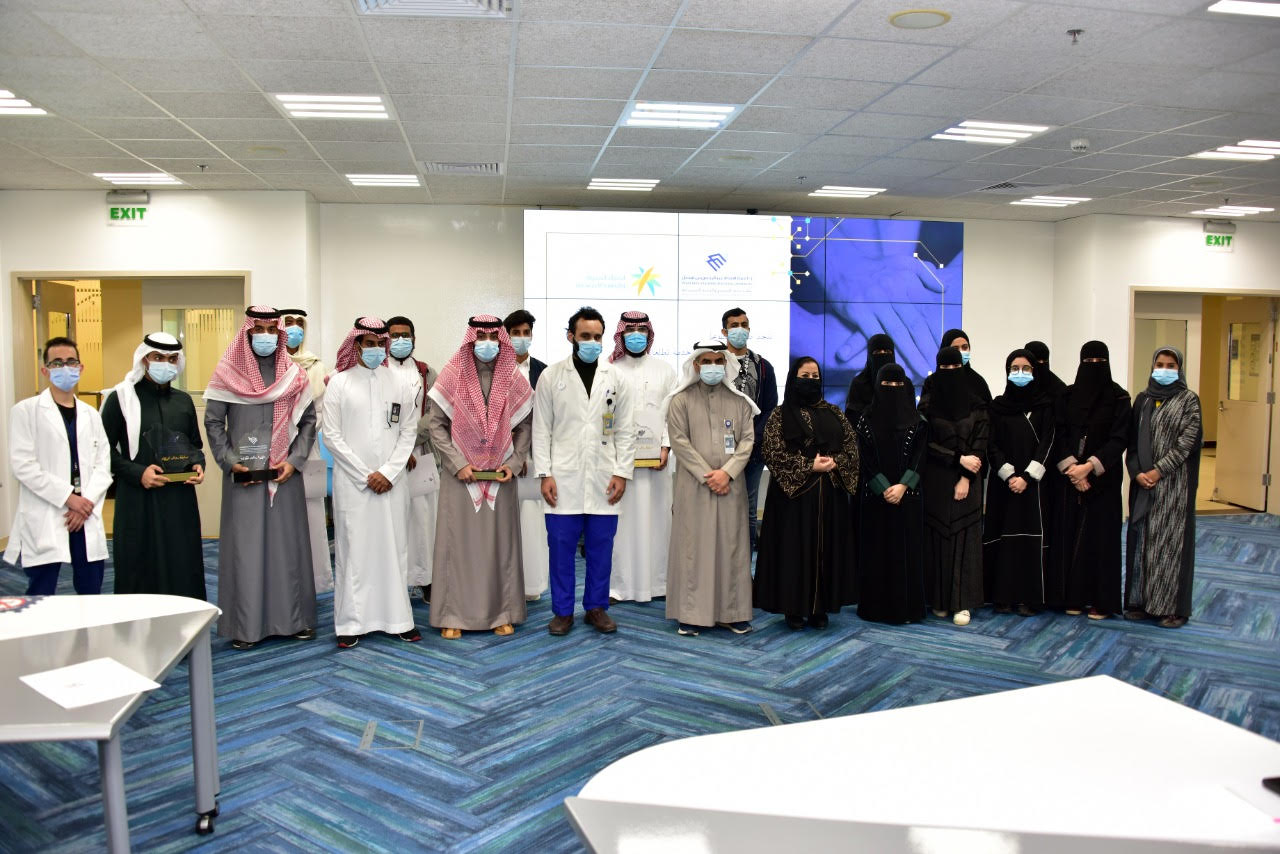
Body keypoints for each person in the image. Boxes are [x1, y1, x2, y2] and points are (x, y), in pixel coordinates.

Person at [204, 306, 318, 649]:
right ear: (248, 332)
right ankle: (246, 627)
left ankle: (294, 621)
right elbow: (213, 422)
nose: (266, 335)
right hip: (245, 479)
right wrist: (229, 462)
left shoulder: (294, 375)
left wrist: (294, 461)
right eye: (259, 329)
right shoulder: (227, 372)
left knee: (288, 549)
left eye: (272, 329)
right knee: (247, 551)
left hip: (285, 476)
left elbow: (308, 422)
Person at [427, 315, 534, 638]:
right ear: (471, 339)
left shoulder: (513, 377)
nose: (487, 343)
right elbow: (436, 425)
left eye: (493, 337)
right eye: (481, 336)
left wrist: (515, 462)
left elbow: (524, 426)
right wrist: (458, 463)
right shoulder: (452, 374)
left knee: (499, 546)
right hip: (460, 477)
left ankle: (502, 612)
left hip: (501, 475)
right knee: (457, 545)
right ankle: (453, 615)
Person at [532, 306, 635, 635]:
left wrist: (621, 473)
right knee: (560, 547)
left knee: (601, 547)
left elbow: (625, 430)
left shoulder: (615, 377)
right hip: (562, 477)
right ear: (571, 337)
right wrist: (545, 473)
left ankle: (596, 607)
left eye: (597, 337)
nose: (592, 342)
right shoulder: (551, 376)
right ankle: (563, 611)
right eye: (585, 336)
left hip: (605, 475)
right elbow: (541, 429)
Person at [323, 317, 421, 648]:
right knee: (354, 551)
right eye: (370, 344)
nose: (377, 349)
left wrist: (389, 472)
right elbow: (331, 435)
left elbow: (408, 430)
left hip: (392, 483)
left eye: (381, 344)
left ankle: (399, 620)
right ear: (357, 345)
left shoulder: (400, 383)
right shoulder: (339, 383)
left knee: (394, 548)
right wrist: (365, 474)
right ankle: (351, 623)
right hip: (354, 484)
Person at [754, 357, 859, 630]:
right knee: (793, 551)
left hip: (830, 496)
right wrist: (808, 465)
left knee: (825, 551)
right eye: (805, 376)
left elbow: (851, 447)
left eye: (815, 377)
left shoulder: (834, 412)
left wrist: (835, 462)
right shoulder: (779, 415)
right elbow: (772, 451)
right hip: (793, 500)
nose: (810, 381)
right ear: (793, 378)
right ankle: (793, 608)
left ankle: (820, 609)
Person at [100, 332, 207, 599]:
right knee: (139, 565)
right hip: (138, 499)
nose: (165, 364)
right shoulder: (120, 399)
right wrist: (138, 473)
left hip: (178, 499)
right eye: (158, 357)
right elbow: (100, 450)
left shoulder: (183, 401)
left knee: (182, 563)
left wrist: (198, 465)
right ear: (144, 359)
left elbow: (194, 446)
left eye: (171, 359)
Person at [664, 341, 758, 636]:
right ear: (696, 365)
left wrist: (727, 473)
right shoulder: (680, 400)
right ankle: (691, 614)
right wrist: (709, 476)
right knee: (695, 548)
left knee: (731, 548)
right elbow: (679, 442)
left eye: (719, 361)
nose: (713, 367)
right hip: (695, 486)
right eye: (707, 361)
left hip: (730, 486)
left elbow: (747, 441)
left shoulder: (741, 402)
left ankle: (733, 612)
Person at [5, 337, 112, 596]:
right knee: (42, 591)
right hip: (48, 511)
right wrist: (68, 498)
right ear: (45, 370)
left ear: (81, 367)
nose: (65, 368)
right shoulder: (25, 411)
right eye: (57, 363)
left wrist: (84, 503)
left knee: (91, 589)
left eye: (71, 362)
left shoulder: (91, 414)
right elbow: (23, 466)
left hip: (85, 513)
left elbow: (103, 464)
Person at [1049, 341, 1132, 620]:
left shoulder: (1120, 398)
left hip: (1103, 479)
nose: (1093, 367)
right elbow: (1058, 433)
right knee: (1070, 536)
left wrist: (1089, 467)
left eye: (1099, 362)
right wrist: (1073, 468)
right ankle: (1072, 597)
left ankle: (1101, 601)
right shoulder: (1066, 396)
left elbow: (1119, 438)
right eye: (1088, 362)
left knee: (1101, 540)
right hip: (1069, 478)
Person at [1125, 347, 1202, 629]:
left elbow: (1187, 443)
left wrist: (1158, 471)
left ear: (1180, 369)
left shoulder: (1188, 400)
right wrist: (1137, 473)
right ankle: (1142, 603)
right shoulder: (1143, 399)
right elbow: (1131, 442)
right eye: (1160, 364)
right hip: (1143, 486)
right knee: (1144, 543)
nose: (1165, 369)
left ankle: (1172, 608)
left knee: (1170, 546)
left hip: (1174, 487)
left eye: (1171, 365)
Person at [608, 310, 676, 604]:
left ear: (649, 334)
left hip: (656, 462)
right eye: (630, 330)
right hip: (619, 463)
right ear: (621, 334)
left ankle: (658, 584)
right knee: (621, 525)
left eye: (641, 330)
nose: (636, 335)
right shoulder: (609, 369)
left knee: (657, 522)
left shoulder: (665, 370)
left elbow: (673, 414)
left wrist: (666, 446)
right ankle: (619, 586)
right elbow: (604, 415)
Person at [920, 346, 988, 626]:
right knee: (938, 538)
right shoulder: (927, 406)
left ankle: (963, 603)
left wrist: (965, 477)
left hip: (967, 482)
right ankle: (940, 599)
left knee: (965, 539)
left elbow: (980, 444)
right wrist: (957, 459)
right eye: (944, 368)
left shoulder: (977, 405)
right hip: (937, 480)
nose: (949, 373)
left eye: (954, 368)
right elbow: (926, 443)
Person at [983, 349, 1055, 616]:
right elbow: (991, 444)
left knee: (1029, 539)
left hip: (1033, 485)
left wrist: (1027, 477)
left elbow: (1048, 442)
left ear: (1034, 372)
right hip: (1004, 483)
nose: (1020, 373)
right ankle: (1002, 596)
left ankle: (1028, 598)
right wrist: (1009, 474)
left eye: (1026, 368)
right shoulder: (997, 406)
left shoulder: (1046, 406)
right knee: (1002, 537)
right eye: (1015, 368)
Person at [854, 363, 927, 624]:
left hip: (908, 499)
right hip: (876, 499)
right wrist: (884, 487)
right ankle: (875, 609)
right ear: (878, 386)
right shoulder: (865, 420)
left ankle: (907, 609)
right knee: (877, 552)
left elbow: (920, 458)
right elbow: (864, 459)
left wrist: (903, 486)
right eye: (887, 384)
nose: (893, 389)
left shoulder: (918, 422)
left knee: (907, 553)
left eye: (898, 384)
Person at [384, 315, 439, 605]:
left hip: (420, 454)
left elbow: (435, 413)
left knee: (423, 520)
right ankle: (392, 583)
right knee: (391, 521)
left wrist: (408, 445)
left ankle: (426, 580)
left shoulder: (426, 372)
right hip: (386, 457)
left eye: (405, 335)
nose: (400, 340)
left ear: (414, 339)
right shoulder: (376, 370)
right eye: (394, 335)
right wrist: (397, 451)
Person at [283, 308, 333, 595]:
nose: (294, 328)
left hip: (309, 447)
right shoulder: (270, 363)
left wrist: (301, 436)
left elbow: (321, 410)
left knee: (312, 516)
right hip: (276, 452)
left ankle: (316, 583)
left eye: (299, 323)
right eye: (288, 323)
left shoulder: (315, 365)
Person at [721, 307, 777, 549]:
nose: (740, 329)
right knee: (719, 506)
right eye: (734, 325)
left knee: (748, 508)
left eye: (744, 325)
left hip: (752, 451)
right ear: (724, 331)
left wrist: (752, 439)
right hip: (718, 451)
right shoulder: (715, 363)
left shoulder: (763, 366)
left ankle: (744, 565)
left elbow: (770, 408)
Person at [504, 308, 549, 601]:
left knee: (533, 524)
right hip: (503, 460)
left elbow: (546, 418)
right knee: (504, 525)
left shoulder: (543, 371)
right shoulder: (496, 370)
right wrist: (513, 456)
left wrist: (529, 457)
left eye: (526, 333)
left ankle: (531, 585)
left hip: (534, 459)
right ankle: (505, 585)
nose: (521, 338)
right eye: (515, 333)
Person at [921, 328, 992, 408]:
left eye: (965, 347)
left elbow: (986, 411)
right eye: (955, 348)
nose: (960, 352)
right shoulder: (932, 382)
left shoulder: (978, 381)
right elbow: (924, 410)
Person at [844, 333, 895, 424]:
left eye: (887, 352)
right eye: (877, 352)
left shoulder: (904, 383)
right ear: (869, 355)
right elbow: (852, 419)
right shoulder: (859, 383)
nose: (883, 355)